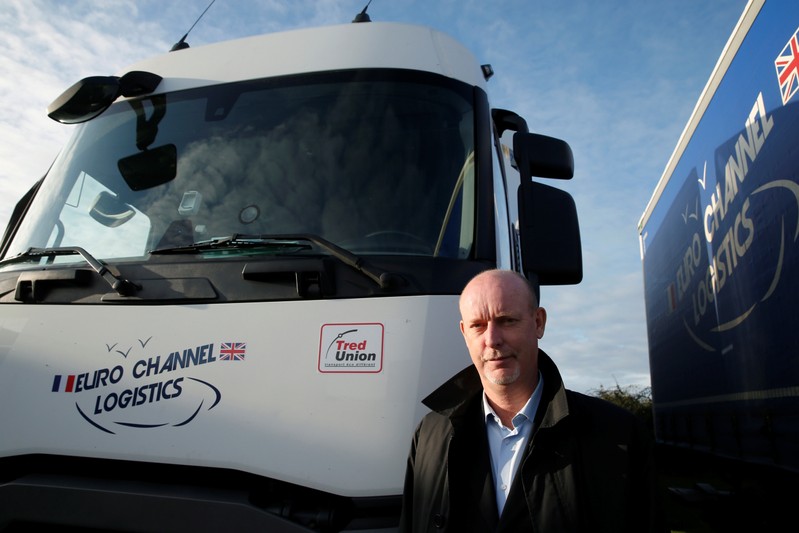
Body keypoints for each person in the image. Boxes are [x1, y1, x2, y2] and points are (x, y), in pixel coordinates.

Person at [399, 269, 660, 532]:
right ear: (464, 333)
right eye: (478, 325)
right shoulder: (428, 436)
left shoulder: (620, 436)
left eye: (507, 320)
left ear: (538, 322)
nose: (492, 339)